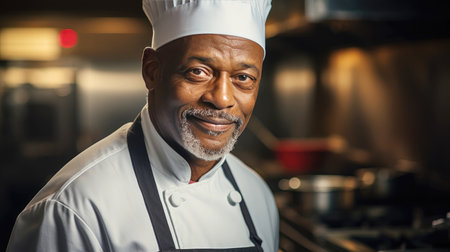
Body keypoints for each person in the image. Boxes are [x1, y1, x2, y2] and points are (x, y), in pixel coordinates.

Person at [7, 0, 279, 251]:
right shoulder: (73, 208)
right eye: (198, 72)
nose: (221, 99)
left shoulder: (257, 194)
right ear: (151, 71)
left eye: (243, 77)